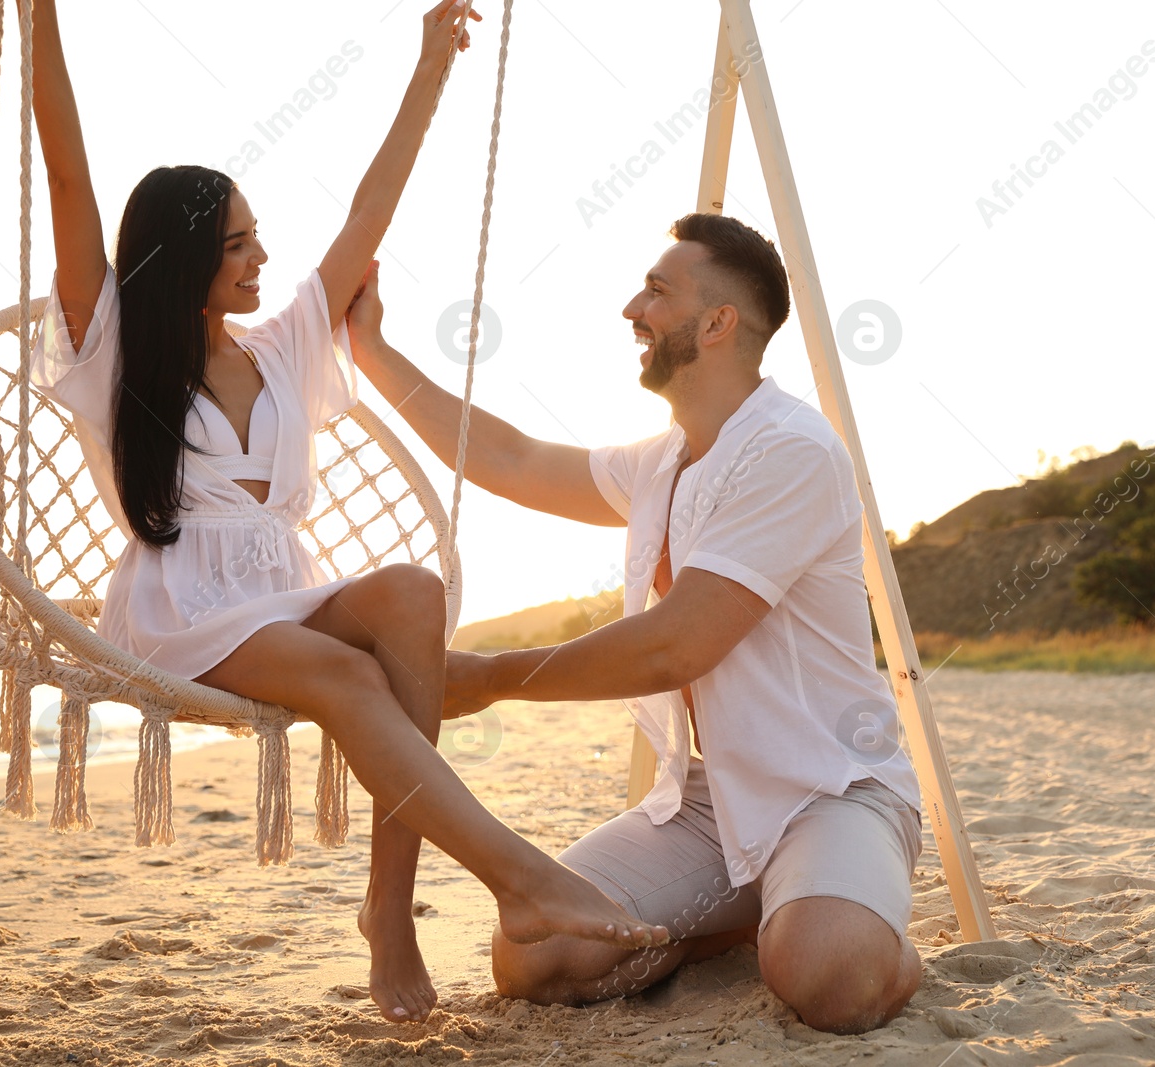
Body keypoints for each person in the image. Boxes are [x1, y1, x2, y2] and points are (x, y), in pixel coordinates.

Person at [21, 0, 669, 1028]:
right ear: (183, 261)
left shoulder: (281, 347)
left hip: (280, 589)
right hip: (183, 610)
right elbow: (64, 175)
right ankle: (519, 876)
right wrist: (38, 22)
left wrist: (430, 66)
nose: (259, 255)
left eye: (257, 234)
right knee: (341, 671)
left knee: (414, 590)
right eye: (236, 243)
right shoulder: (115, 349)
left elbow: (375, 206)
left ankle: (387, 904)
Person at [344, 212, 927, 1034]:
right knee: (534, 956)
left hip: (829, 789)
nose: (632, 308)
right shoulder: (662, 460)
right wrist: (371, 350)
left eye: (657, 291)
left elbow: (674, 643)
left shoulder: (792, 450)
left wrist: (492, 676)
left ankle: (843, 921)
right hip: (706, 801)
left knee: (828, 976)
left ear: (718, 323)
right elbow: (506, 458)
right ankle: (736, 923)